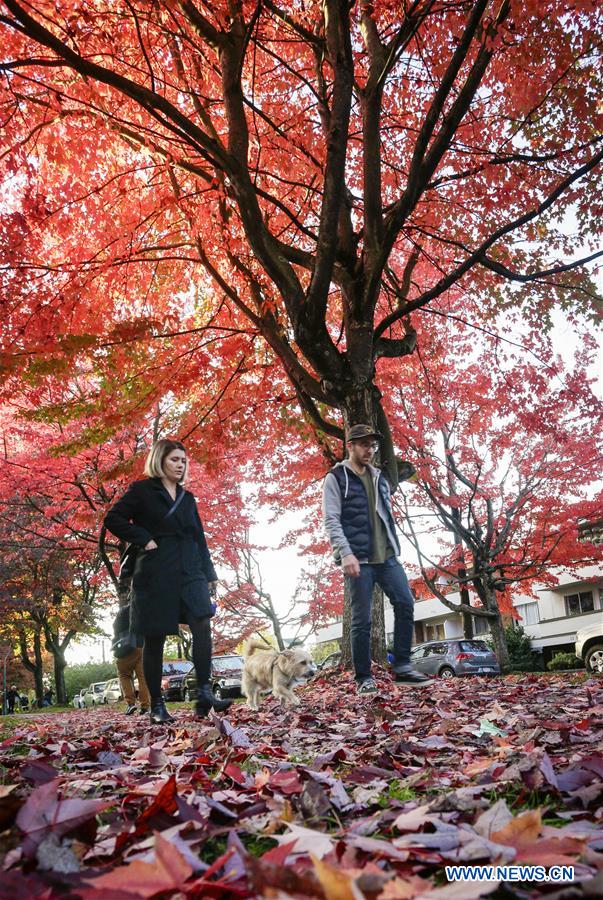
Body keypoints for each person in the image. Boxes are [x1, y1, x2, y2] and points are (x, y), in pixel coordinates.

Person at [104, 439, 232, 724]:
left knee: (202, 623)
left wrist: (210, 574)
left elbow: (199, 537)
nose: (180, 465)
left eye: (183, 461)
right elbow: (113, 518)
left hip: (191, 570)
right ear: (160, 460)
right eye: (175, 459)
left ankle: (203, 693)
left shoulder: (187, 498)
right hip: (155, 572)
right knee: (155, 636)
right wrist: (143, 538)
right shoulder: (141, 491)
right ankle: (157, 706)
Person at [322, 423, 431, 694]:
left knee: (405, 602)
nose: (369, 450)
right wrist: (344, 553)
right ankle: (363, 678)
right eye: (363, 445)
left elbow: (385, 514)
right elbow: (331, 519)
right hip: (358, 558)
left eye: (372, 445)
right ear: (350, 446)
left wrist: (393, 543)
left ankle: (403, 667)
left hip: (387, 556)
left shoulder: (380, 477)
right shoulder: (336, 478)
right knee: (362, 620)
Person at [112, 603, 151, 715]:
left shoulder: (123, 610)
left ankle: (130, 704)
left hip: (125, 645)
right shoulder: (143, 609)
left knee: (124, 675)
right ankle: (145, 707)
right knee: (143, 677)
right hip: (141, 645)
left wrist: (118, 636)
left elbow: (116, 626)